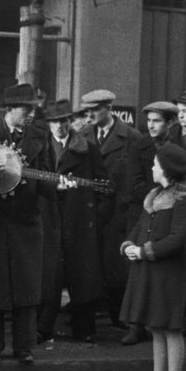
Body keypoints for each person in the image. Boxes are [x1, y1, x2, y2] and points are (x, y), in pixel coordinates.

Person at [0, 83, 70, 364]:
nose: (31, 113)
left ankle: (24, 347)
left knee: (26, 286)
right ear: (9, 110)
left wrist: (58, 187)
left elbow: (45, 176)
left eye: (33, 108)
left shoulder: (40, 136)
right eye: (26, 108)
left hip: (25, 221)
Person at [37, 99, 109, 343]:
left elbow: (105, 187)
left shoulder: (87, 149)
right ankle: (42, 328)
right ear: (48, 124)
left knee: (83, 275)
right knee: (48, 274)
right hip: (47, 217)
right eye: (55, 122)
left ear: (71, 122)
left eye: (64, 121)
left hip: (79, 220)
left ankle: (84, 329)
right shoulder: (40, 148)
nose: (60, 126)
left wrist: (94, 220)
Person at [121, 143, 186, 371]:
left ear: (167, 170)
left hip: (169, 273)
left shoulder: (182, 200)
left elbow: (178, 239)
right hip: (151, 271)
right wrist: (128, 245)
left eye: (156, 164)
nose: (151, 167)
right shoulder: (154, 195)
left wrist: (144, 251)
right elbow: (139, 227)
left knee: (171, 327)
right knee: (155, 325)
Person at [79, 89, 142, 336]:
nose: (90, 114)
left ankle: (120, 316)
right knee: (89, 262)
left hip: (118, 211)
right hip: (89, 209)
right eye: (87, 110)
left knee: (116, 265)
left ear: (109, 109)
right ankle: (89, 314)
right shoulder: (82, 135)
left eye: (94, 110)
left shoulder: (132, 137)